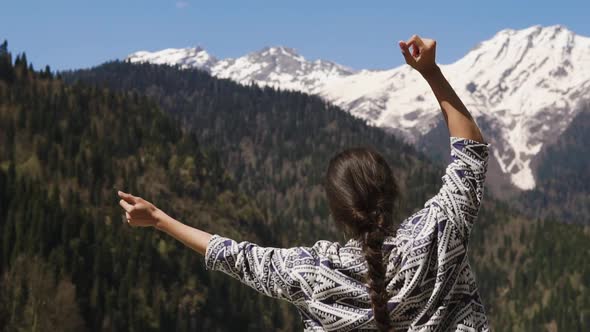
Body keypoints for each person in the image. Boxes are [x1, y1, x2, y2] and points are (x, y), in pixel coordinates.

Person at [118, 35, 491, 331]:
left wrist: (159, 219)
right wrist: (430, 72)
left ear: (337, 211)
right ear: (393, 190)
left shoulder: (311, 274)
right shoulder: (438, 235)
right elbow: (470, 153)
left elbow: (233, 255)